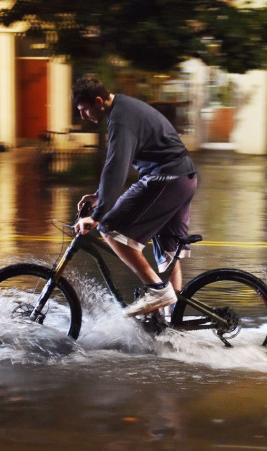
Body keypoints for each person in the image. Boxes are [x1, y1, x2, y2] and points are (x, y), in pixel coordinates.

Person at [71, 77, 197, 317]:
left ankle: (157, 291)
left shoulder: (121, 119)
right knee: (168, 252)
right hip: (184, 178)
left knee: (109, 228)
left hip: (166, 178)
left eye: (84, 110)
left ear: (98, 101)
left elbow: (116, 167)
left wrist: (98, 216)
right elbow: (117, 166)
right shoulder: (124, 108)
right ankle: (174, 319)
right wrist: (100, 196)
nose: (83, 116)